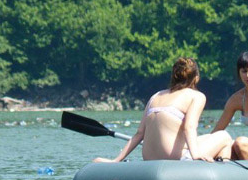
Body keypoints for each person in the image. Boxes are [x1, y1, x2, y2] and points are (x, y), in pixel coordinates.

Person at [94, 57, 232, 163]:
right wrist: (195, 155)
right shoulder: (196, 96)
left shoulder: (156, 96)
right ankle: (222, 174)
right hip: (174, 159)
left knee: (209, 137)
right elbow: (189, 127)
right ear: (196, 78)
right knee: (224, 136)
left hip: (150, 159)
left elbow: (139, 134)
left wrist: (116, 160)